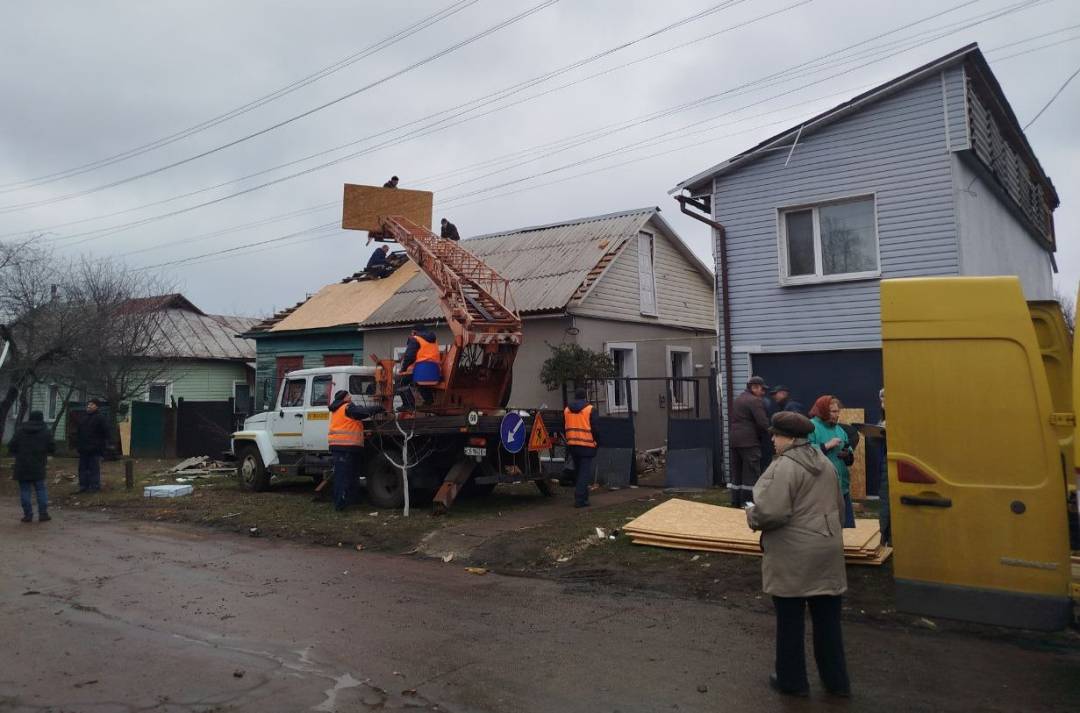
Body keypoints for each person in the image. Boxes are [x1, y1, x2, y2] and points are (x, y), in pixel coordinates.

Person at [747, 411, 850, 698]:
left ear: (790, 439)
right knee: (828, 624)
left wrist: (751, 515)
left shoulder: (783, 467)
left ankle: (792, 681)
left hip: (794, 555)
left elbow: (771, 513)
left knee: (790, 622)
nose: (772, 439)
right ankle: (836, 682)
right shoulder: (824, 463)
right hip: (827, 550)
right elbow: (838, 508)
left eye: (776, 435)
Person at [327, 390, 380, 511]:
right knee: (344, 476)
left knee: (351, 475)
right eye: (348, 395)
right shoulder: (347, 407)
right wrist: (378, 408)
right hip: (345, 447)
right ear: (344, 398)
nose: (350, 397)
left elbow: (351, 421)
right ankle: (340, 504)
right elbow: (362, 412)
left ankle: (351, 500)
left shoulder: (338, 409)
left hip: (345, 447)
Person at [808, 395, 855, 528]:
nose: (837, 414)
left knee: (847, 529)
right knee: (826, 529)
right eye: (833, 411)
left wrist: (847, 455)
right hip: (822, 489)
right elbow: (804, 452)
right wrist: (826, 446)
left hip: (842, 488)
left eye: (838, 411)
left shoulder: (839, 430)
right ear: (823, 411)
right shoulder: (811, 427)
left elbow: (849, 455)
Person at [9, 411, 55, 523]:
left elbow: (11, 446)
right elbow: (52, 448)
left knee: (25, 490)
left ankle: (27, 515)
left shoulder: (20, 430)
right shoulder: (46, 432)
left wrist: (19, 453)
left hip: (22, 465)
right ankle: (43, 514)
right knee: (40, 489)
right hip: (38, 464)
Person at [730, 376, 769, 506]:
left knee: (737, 473)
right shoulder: (754, 401)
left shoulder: (738, 399)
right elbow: (763, 422)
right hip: (749, 442)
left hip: (735, 441)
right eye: (761, 389)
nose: (763, 393)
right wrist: (775, 432)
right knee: (751, 473)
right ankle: (749, 503)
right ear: (754, 387)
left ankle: (735, 502)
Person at [564, 388, 599, 508]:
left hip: (573, 445)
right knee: (584, 474)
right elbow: (596, 429)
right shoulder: (590, 409)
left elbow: (564, 425)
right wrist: (597, 442)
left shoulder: (567, 410)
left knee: (579, 472)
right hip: (587, 445)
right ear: (585, 397)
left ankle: (584, 498)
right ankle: (580, 499)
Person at [398, 324, 440, 410]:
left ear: (415, 331)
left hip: (422, 371)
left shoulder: (415, 339)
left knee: (400, 381)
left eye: (412, 332)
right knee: (422, 384)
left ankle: (408, 405)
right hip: (435, 372)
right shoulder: (434, 340)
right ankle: (429, 402)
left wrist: (403, 369)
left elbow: (409, 357)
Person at [762, 385, 805, 463]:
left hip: (793, 447)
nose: (774, 397)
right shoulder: (784, 407)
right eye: (773, 395)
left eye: (775, 394)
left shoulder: (792, 406)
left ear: (783, 393)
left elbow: (797, 425)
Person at [75, 399, 110, 493]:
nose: (89, 406)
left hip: (95, 449)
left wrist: (104, 446)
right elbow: (79, 432)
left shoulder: (100, 418)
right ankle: (83, 486)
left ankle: (94, 486)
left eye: (91, 404)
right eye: (88, 404)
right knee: (83, 468)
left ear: (96, 406)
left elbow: (106, 432)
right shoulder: (83, 418)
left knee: (93, 468)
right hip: (83, 448)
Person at [877, 388, 890, 547]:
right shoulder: (884, 418)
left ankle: (888, 537)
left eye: (884, 399)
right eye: (880, 400)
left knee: (888, 501)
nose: (882, 404)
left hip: (895, 461)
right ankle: (884, 537)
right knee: (885, 500)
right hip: (887, 461)